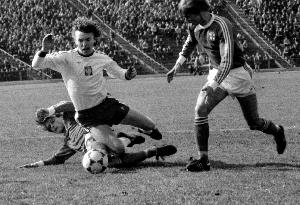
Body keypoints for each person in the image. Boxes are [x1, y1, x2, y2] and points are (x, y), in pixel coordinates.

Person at [167, 0, 286, 172]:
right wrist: (177, 65)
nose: (187, 20)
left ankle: (277, 130)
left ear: (200, 11)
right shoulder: (194, 26)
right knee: (200, 109)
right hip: (217, 73)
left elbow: (227, 60)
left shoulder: (222, 25)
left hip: (238, 75)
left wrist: (213, 84)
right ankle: (203, 160)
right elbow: (190, 42)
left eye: (188, 16)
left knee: (254, 122)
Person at [31, 17, 163, 149]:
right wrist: (44, 50)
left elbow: (119, 72)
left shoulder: (101, 58)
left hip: (107, 105)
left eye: (88, 39)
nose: (84, 44)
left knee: (150, 124)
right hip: (88, 116)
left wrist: (127, 75)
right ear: (75, 41)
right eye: (80, 40)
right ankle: (128, 139)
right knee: (118, 148)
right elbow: (37, 64)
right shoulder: (65, 58)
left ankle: (146, 130)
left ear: (95, 39)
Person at [19, 101, 177, 168]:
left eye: (52, 122)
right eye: (50, 128)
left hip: (97, 135)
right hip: (96, 147)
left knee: (111, 159)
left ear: (56, 117)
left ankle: (127, 140)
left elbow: (70, 104)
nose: (53, 127)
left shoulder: (69, 116)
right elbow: (57, 159)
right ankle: (148, 149)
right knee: (117, 162)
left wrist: (50, 110)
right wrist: (37, 164)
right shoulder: (68, 142)